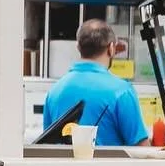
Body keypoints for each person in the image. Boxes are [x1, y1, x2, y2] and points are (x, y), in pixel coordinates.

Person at [41, 19, 150, 148]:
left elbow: (47, 146)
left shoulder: (54, 91)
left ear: (78, 47)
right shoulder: (121, 91)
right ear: (111, 48)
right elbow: (142, 148)